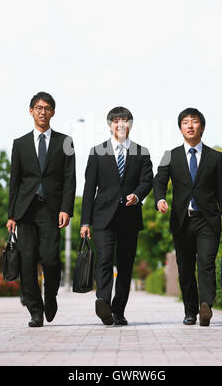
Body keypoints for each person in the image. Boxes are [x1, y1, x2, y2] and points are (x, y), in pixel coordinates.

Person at [153, 108, 222, 326]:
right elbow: (159, 181)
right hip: (182, 221)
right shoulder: (170, 155)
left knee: (206, 264)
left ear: (202, 127)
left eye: (194, 122)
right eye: (185, 122)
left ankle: (206, 305)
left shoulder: (216, 157)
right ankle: (190, 310)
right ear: (180, 128)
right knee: (185, 267)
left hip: (208, 220)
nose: (190, 125)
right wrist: (160, 199)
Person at [6, 92, 76, 327]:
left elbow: (70, 179)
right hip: (25, 211)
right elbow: (14, 181)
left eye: (47, 108)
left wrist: (66, 208)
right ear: (31, 111)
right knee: (26, 262)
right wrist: (11, 215)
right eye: (38, 107)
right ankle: (35, 310)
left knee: (50, 258)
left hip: (51, 210)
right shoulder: (20, 143)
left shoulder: (65, 142)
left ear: (53, 113)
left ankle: (51, 295)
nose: (42, 111)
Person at [80, 107, 153, 326]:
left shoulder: (142, 152)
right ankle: (103, 301)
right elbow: (88, 188)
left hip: (129, 217)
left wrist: (138, 196)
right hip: (102, 217)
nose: (120, 124)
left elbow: (147, 181)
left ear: (130, 124)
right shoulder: (97, 152)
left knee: (125, 265)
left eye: (124, 120)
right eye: (115, 120)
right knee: (103, 259)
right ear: (110, 124)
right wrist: (85, 221)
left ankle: (118, 311)